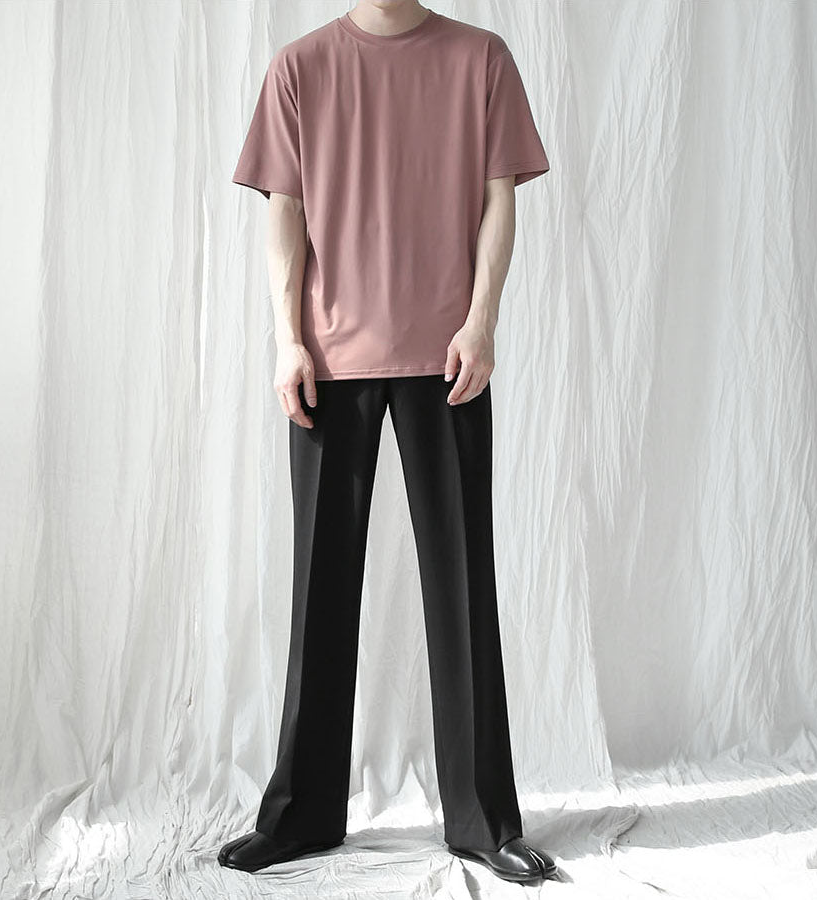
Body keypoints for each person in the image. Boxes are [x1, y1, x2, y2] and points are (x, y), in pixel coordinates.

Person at [218, 0, 556, 884]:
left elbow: (499, 202)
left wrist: (482, 322)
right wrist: (286, 340)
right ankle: (301, 815)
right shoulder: (300, 68)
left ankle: (483, 819)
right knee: (319, 589)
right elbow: (284, 213)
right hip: (330, 361)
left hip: (449, 358)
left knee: (463, 587)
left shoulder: (481, 59)